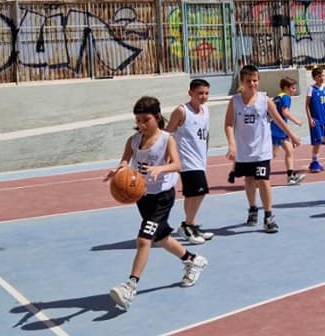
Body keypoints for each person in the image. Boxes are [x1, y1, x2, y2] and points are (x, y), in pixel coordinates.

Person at [106, 96, 208, 311]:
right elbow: (125, 161)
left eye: (146, 119)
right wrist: (119, 170)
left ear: (157, 117)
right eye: (139, 120)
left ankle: (130, 285)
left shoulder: (166, 138)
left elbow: (177, 164)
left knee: (144, 239)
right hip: (142, 196)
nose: (142, 124)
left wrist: (160, 169)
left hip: (162, 196)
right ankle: (192, 259)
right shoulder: (134, 140)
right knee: (161, 238)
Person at [224, 65, 300, 233]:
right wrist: (232, 144)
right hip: (244, 150)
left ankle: (268, 216)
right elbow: (229, 124)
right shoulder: (235, 101)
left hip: (261, 151)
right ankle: (253, 208)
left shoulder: (265, 100)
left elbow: (279, 120)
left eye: (255, 80)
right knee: (249, 181)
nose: (252, 84)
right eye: (248, 81)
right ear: (242, 82)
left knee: (264, 180)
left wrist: (291, 135)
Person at [166, 79, 216, 245]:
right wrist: (170, 157)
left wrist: (205, 152)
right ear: (191, 93)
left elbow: (206, 134)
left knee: (193, 193)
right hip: (186, 159)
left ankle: (192, 224)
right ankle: (187, 225)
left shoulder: (206, 110)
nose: (203, 96)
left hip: (200, 158)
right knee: (199, 192)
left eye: (206, 93)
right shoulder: (182, 111)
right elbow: (167, 134)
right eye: (200, 93)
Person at [271, 77, 306, 186]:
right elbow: (285, 112)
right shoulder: (286, 97)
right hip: (278, 129)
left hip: (273, 127)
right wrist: (296, 121)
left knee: (284, 151)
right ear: (286, 88)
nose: (294, 90)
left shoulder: (277, 97)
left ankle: (291, 176)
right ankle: (255, 173)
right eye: (292, 88)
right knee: (275, 153)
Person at [305, 66, 325, 174]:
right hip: (315, 119)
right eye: (319, 76)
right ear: (314, 78)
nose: (322, 78)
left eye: (323, 75)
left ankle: (315, 161)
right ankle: (314, 162)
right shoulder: (311, 89)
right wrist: (310, 118)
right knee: (317, 142)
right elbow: (306, 105)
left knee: (321, 142)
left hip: (324, 119)